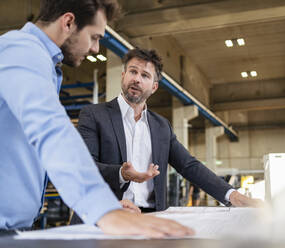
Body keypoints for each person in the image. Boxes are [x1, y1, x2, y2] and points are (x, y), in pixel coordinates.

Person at [0, 0, 193, 238]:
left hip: (16, 228)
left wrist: (110, 205)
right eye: (94, 37)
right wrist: (104, 210)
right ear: (68, 22)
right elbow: (52, 132)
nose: (95, 49)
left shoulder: (36, 61)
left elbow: (29, 155)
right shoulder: (22, 52)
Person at [71, 48, 262, 224]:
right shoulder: (94, 115)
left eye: (145, 75)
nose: (137, 79)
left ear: (154, 87)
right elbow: (85, 166)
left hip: (150, 220)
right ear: (123, 76)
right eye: (132, 71)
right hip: (103, 217)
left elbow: (189, 166)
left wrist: (232, 196)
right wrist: (121, 174)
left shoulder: (161, 126)